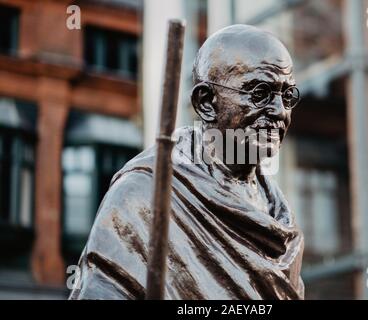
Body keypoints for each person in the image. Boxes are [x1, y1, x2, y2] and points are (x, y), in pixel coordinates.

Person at [69, 24, 304, 300]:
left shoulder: (279, 215)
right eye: (260, 93)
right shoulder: (144, 194)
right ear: (206, 102)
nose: (279, 111)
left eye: (287, 96)